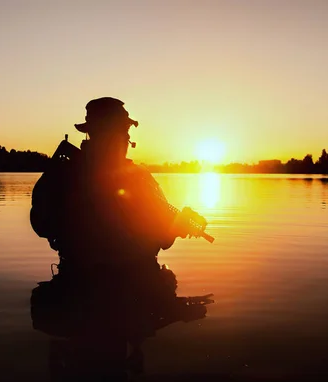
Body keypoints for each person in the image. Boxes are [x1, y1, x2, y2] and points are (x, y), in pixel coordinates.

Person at [29, 97, 213, 380]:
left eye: (126, 134)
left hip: (89, 282)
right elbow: (41, 221)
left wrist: (176, 224)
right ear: (101, 134)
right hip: (106, 284)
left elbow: (161, 228)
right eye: (122, 133)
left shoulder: (131, 176)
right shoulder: (69, 174)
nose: (126, 140)